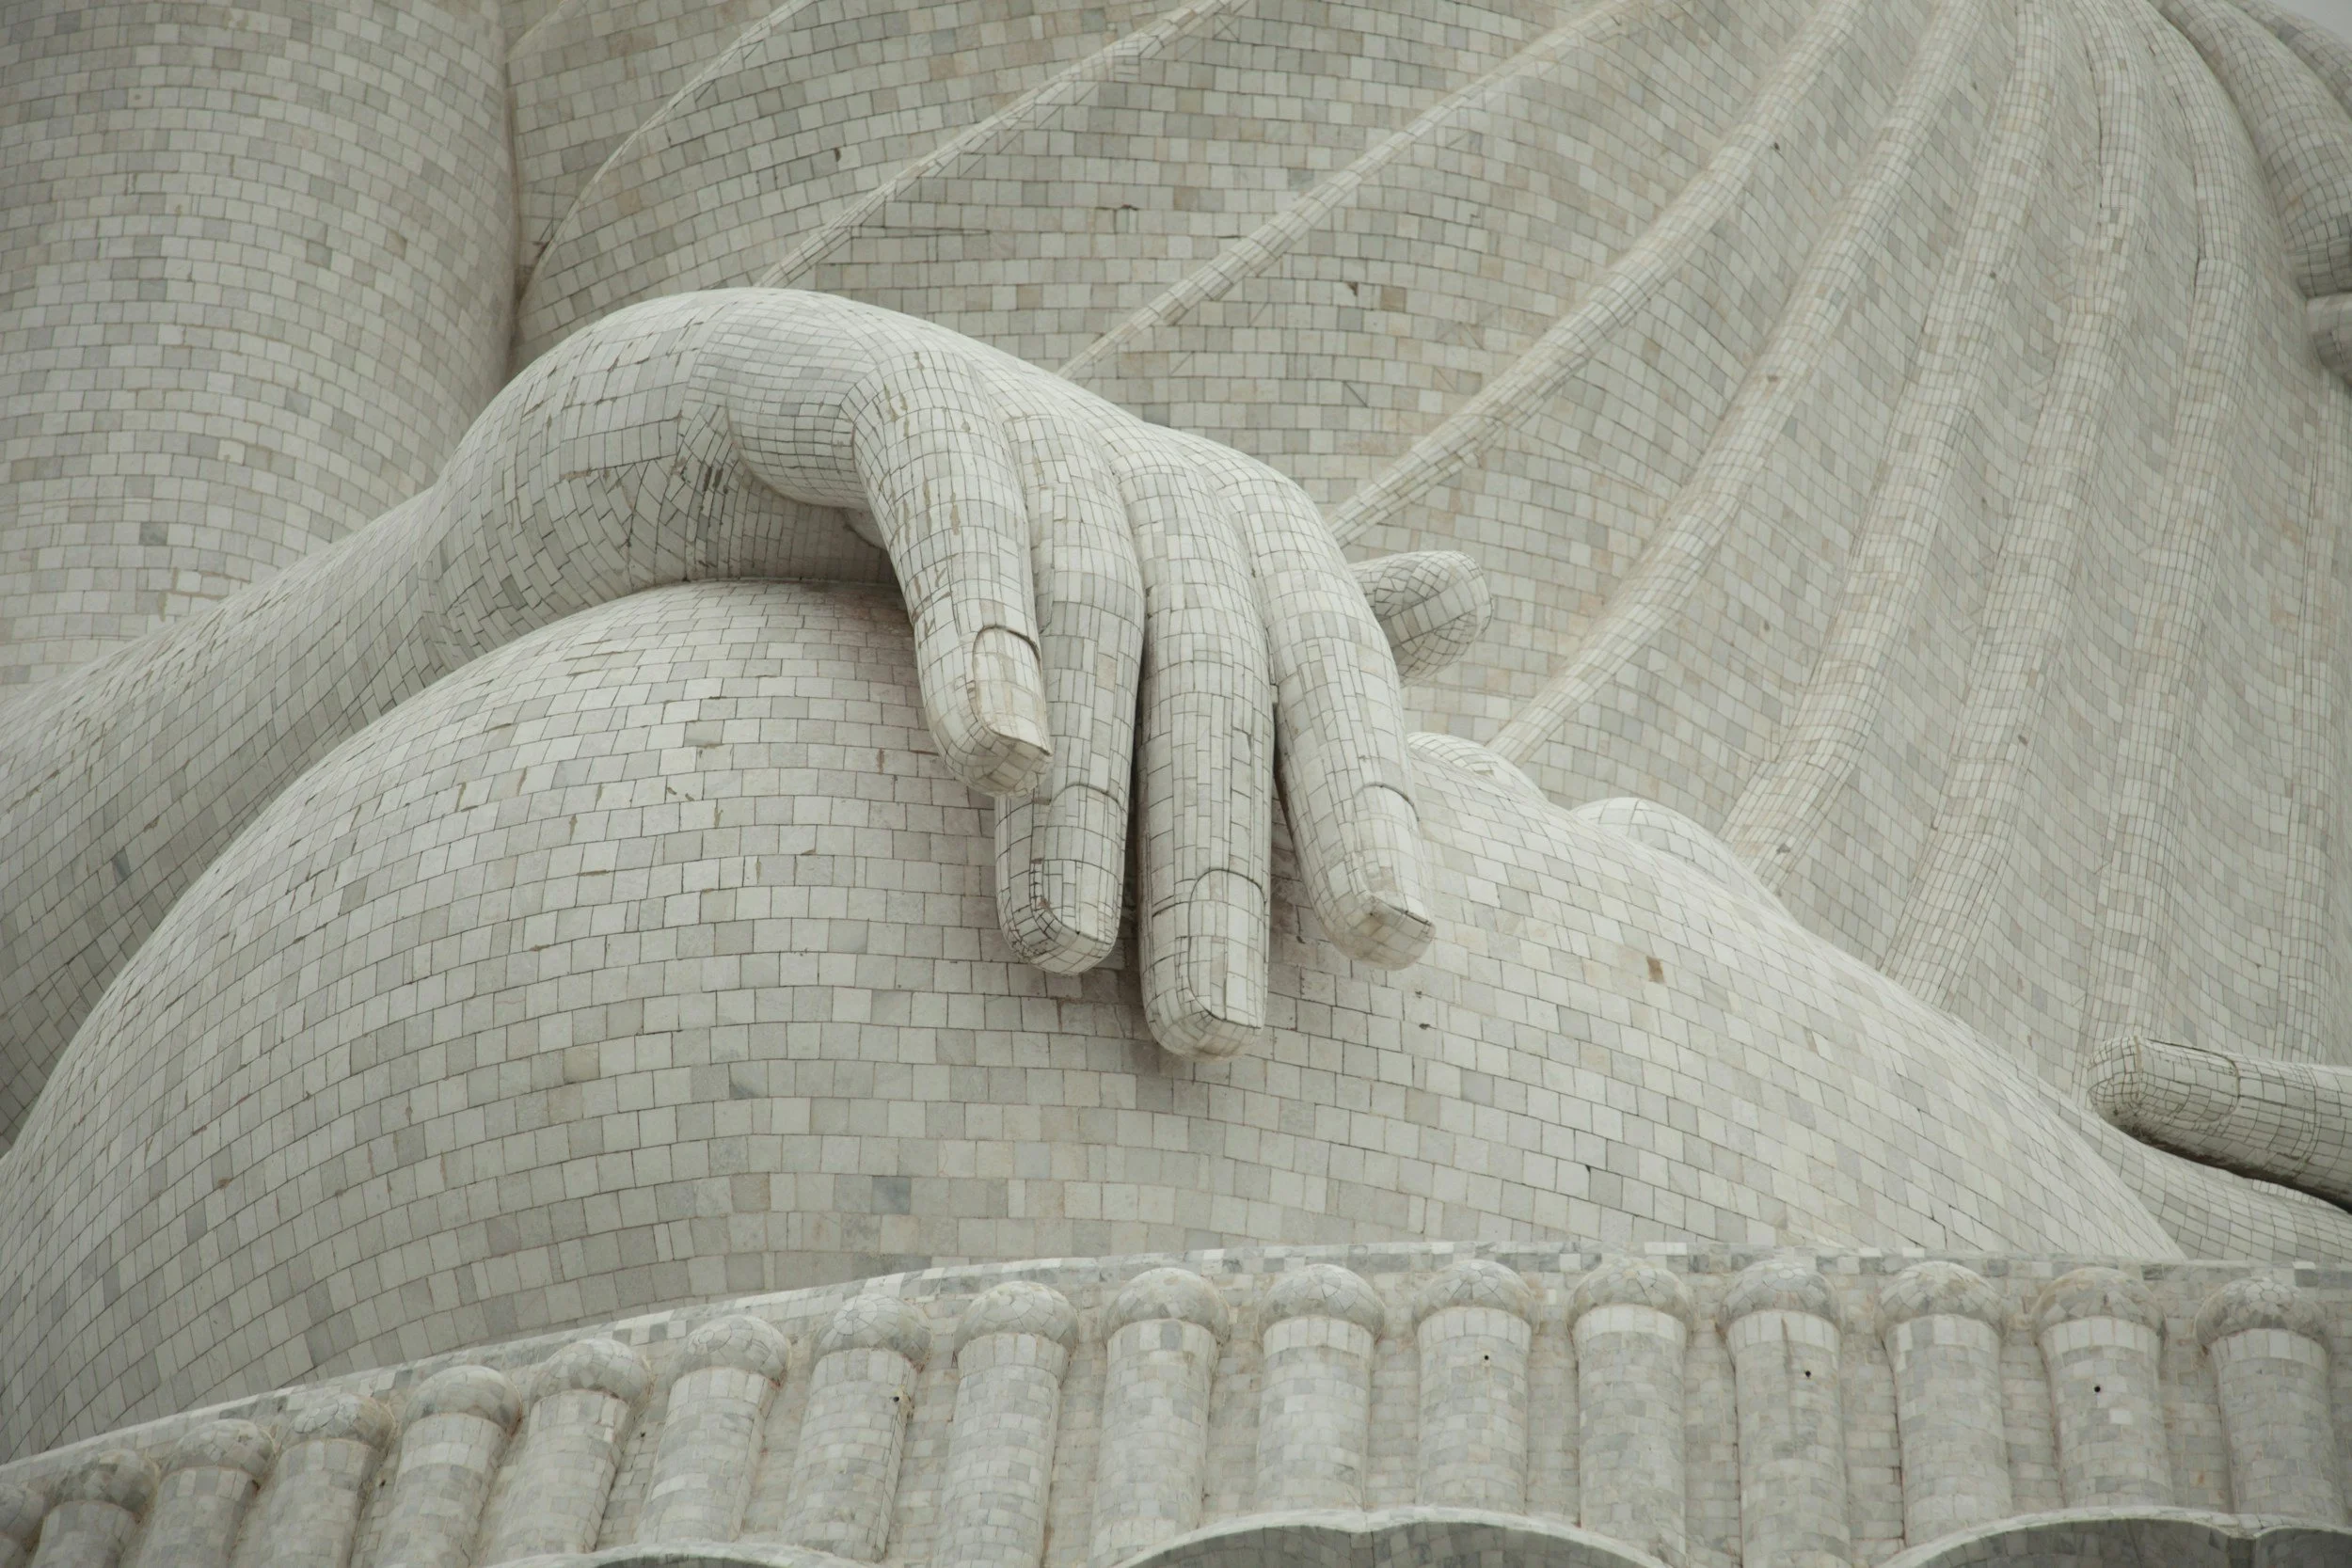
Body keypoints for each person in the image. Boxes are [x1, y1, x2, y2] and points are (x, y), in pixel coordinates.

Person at [5, 0, 2352, 1459]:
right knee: (666, 829)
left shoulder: (2208, 85)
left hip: (2044, 1242)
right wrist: (574, 497)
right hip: (855, 960)